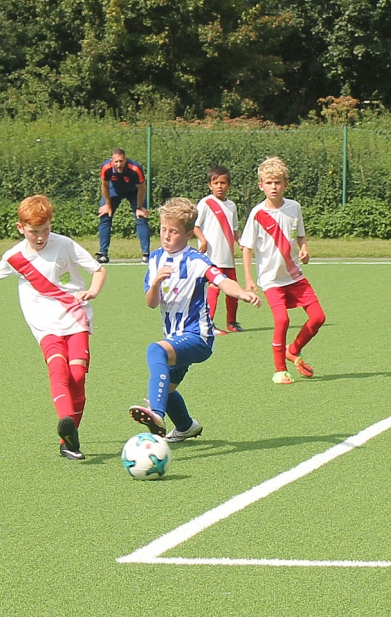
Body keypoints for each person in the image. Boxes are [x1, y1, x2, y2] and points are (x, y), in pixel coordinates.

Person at [0, 194, 106, 460]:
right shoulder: (15, 257)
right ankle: (67, 426)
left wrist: (93, 290)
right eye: (34, 232)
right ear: (21, 228)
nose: (41, 237)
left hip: (76, 317)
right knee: (58, 367)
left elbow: (98, 270)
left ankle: (68, 439)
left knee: (77, 376)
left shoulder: (65, 244)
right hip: (45, 324)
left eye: (45, 230)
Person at [129, 197, 260, 442]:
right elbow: (151, 302)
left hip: (198, 336)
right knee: (165, 388)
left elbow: (222, 280)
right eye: (163, 229)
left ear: (189, 234)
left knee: (155, 351)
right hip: (174, 337)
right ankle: (186, 426)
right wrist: (155, 283)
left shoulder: (196, 260)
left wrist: (242, 293)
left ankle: (155, 414)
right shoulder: (155, 259)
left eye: (174, 231)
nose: (166, 236)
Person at [240, 156, 326, 385]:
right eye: (269, 183)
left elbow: (300, 236)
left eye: (278, 182)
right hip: (271, 280)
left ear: (285, 185)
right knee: (282, 320)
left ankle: (293, 349)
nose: (274, 187)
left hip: (295, 277)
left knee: (318, 317)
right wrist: (248, 278)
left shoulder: (294, 207)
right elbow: (246, 247)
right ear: (261, 186)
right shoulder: (257, 214)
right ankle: (280, 370)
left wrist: (304, 249)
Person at [194, 165, 243, 335]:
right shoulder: (206, 203)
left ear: (229, 185)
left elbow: (234, 229)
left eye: (223, 183)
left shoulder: (231, 206)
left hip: (228, 257)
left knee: (233, 290)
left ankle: (232, 322)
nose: (219, 186)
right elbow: (195, 226)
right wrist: (202, 240)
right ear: (210, 185)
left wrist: (241, 241)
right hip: (212, 257)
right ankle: (209, 323)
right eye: (216, 183)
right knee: (214, 288)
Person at [97, 148, 149, 264]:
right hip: (114, 191)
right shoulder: (106, 167)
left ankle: (146, 255)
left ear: (125, 159)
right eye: (116, 162)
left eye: (121, 161)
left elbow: (142, 188)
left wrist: (139, 207)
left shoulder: (135, 168)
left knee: (141, 217)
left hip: (134, 192)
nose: (119, 164)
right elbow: (104, 186)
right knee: (105, 216)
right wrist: (107, 205)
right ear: (111, 161)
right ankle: (102, 254)